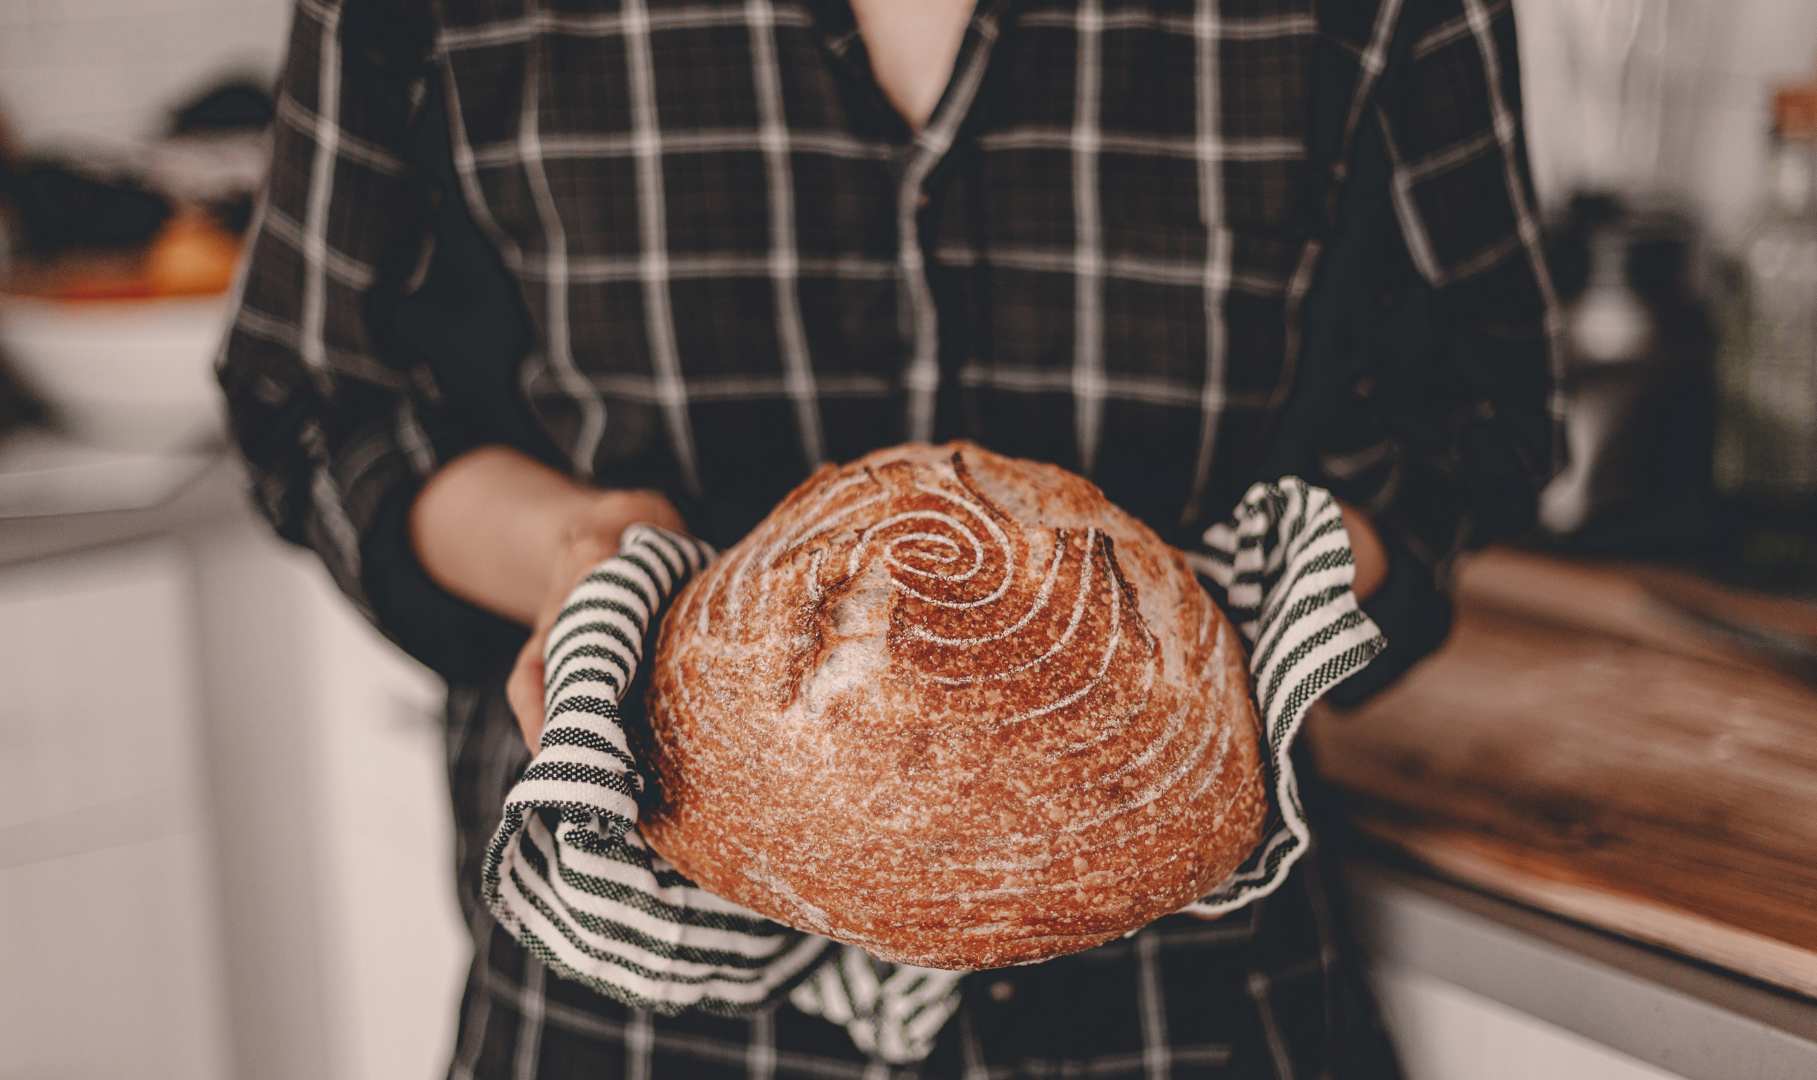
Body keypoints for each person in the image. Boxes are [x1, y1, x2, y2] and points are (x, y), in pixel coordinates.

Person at [218, 0, 1556, 1075]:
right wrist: (578, 551)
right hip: (631, 1035)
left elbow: (1479, 410)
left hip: (1194, 1014)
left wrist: (1228, 632)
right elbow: (318, 394)